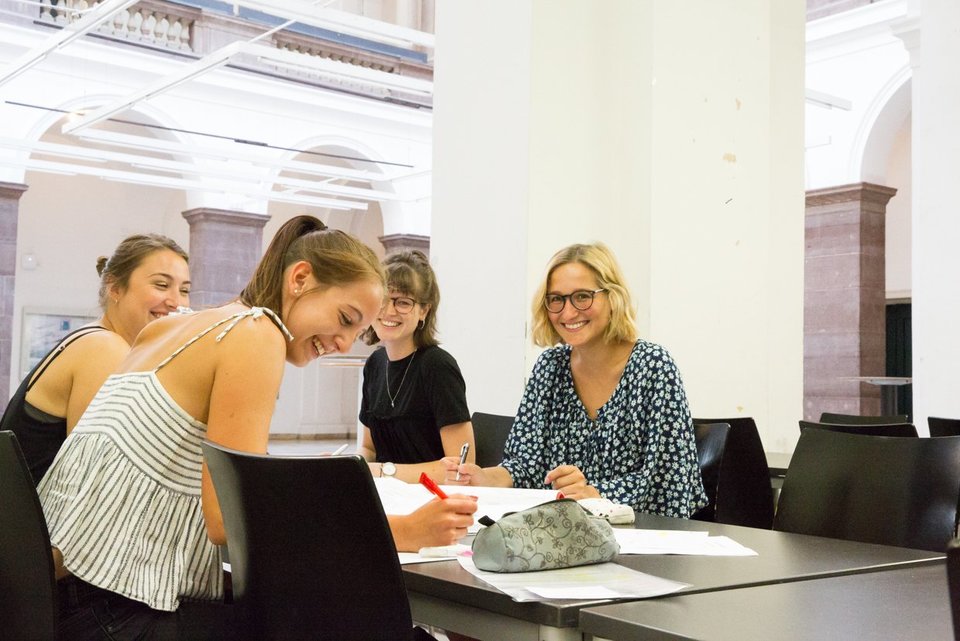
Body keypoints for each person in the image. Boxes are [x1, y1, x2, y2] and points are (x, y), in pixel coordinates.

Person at [38, 216, 477, 639]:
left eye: (358, 331)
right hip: (118, 610)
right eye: (345, 319)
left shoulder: (174, 327)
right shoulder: (257, 332)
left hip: (61, 598)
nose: (345, 343)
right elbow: (229, 518)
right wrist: (398, 531)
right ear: (300, 278)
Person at [444, 242, 707, 518]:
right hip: (564, 539)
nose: (568, 313)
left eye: (582, 297)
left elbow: (667, 484)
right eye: (556, 299)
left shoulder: (653, 366)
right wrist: (484, 479)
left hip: (642, 541)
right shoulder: (550, 367)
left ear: (612, 297)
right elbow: (523, 466)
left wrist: (595, 494)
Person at [0, 233, 190, 484]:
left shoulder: (103, 342)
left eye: (185, 290)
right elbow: (93, 474)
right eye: (161, 285)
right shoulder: (104, 347)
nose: (176, 302)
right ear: (115, 288)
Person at [359, 250, 475, 483]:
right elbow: (368, 449)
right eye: (383, 299)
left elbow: (462, 466)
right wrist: (348, 466)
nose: (389, 311)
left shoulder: (437, 366)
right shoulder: (375, 364)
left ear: (424, 310)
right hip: (384, 495)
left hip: (430, 499)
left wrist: (384, 472)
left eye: (403, 302)